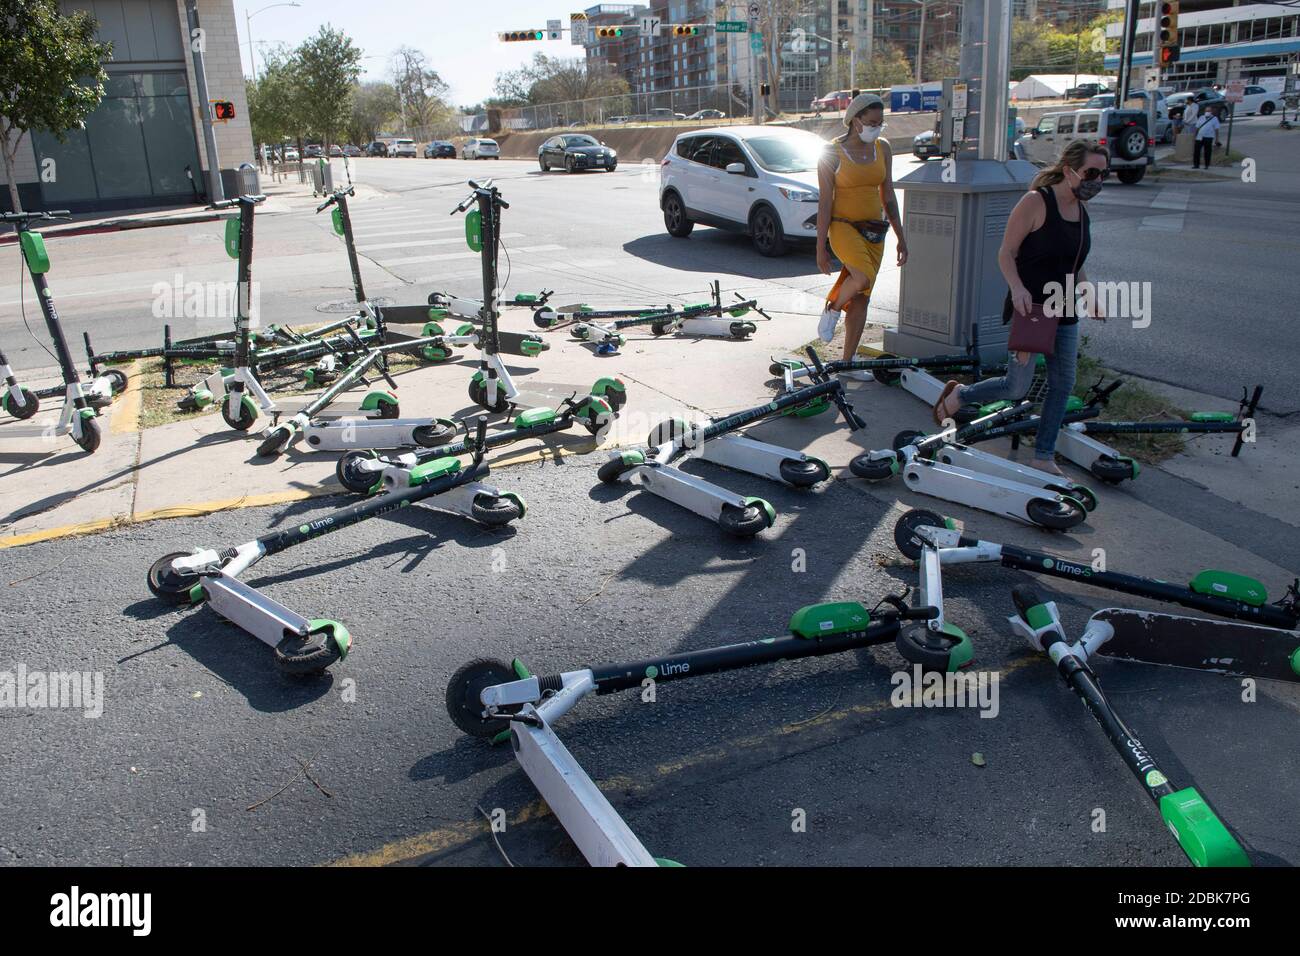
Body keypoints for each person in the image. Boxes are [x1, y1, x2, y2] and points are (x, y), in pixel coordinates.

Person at [933, 140, 1109, 477]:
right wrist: (1016, 290)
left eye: (1103, 174)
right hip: (1033, 310)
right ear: (1070, 169)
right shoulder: (1036, 202)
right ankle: (961, 394)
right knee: (1017, 386)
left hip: (1066, 310)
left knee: (1063, 383)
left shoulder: (1082, 212)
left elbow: (1076, 265)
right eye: (1091, 172)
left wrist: (1089, 295)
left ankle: (1043, 455)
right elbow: (1006, 252)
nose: (1097, 180)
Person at [814, 92, 908, 362]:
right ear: (855, 121)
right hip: (842, 227)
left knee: (862, 299)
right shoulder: (831, 151)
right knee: (862, 277)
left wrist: (901, 236)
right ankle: (833, 307)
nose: (876, 128)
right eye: (871, 122)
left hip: (874, 232)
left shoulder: (883, 148)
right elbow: (824, 203)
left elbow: (888, 196)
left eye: (880, 123)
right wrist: (820, 247)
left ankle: (847, 361)